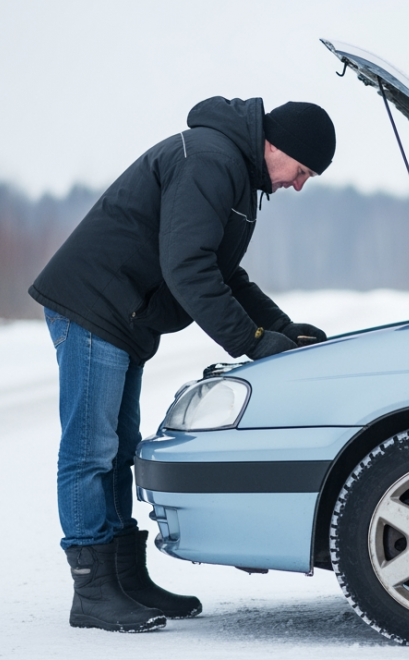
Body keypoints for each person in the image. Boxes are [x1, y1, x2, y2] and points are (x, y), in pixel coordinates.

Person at [28, 97, 336, 632]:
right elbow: (188, 270)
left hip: (123, 313)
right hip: (93, 304)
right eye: (302, 171)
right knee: (89, 449)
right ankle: (94, 590)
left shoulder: (234, 171)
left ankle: (125, 576)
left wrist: (281, 329)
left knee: (119, 448)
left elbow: (225, 272)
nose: (299, 184)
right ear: (275, 145)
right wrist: (254, 342)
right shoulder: (210, 161)